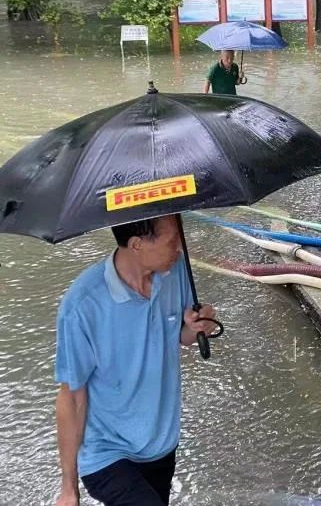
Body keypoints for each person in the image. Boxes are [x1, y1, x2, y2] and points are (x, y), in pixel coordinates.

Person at [54, 215, 218, 506]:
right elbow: (72, 396)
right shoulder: (82, 306)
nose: (179, 248)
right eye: (171, 241)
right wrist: (69, 487)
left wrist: (194, 328)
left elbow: (179, 338)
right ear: (136, 244)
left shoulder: (175, 270)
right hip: (108, 452)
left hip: (161, 442)